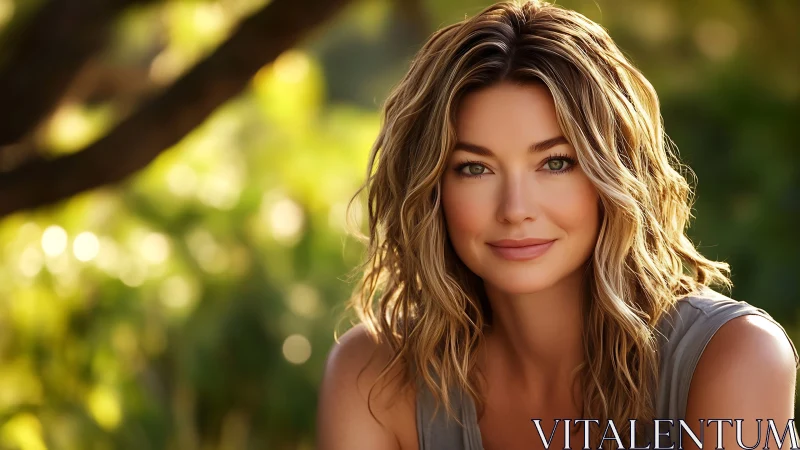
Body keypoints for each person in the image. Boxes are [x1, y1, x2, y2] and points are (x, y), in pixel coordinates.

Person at [316, 1, 800, 449]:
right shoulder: (374, 378)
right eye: (474, 168)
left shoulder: (735, 357)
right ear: (430, 189)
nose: (515, 209)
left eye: (555, 163)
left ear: (615, 173)